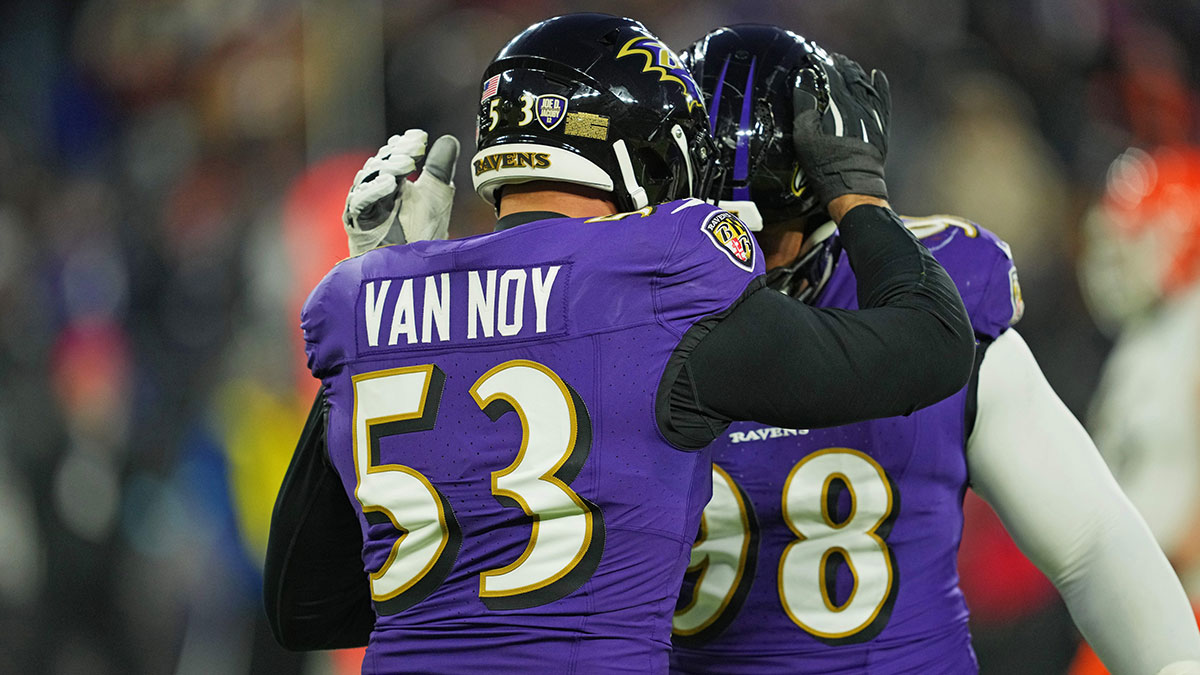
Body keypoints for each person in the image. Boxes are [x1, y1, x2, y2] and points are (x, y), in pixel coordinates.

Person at [263, 13, 975, 673]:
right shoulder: (656, 281)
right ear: (643, 161)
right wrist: (859, 194)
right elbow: (933, 342)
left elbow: (307, 609)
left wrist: (383, 329)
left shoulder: (372, 300)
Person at [666, 24, 1200, 675]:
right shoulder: (609, 321)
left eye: (770, 228)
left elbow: (1091, 541)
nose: (745, 255)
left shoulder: (942, 309)